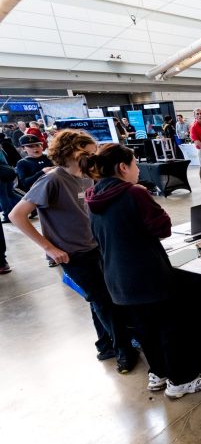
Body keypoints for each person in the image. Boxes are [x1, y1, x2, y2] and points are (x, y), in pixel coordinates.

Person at [84, 143, 201, 398]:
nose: (139, 171)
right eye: (134, 165)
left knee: (145, 329)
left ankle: (158, 372)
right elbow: (162, 228)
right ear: (122, 167)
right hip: (147, 274)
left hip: (116, 277)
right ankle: (180, 380)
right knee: (168, 327)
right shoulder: (134, 193)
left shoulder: (93, 195)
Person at [9, 129, 136, 371]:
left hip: (96, 247)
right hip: (73, 255)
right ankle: (123, 351)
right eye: (86, 152)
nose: (91, 157)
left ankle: (105, 344)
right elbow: (17, 215)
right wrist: (49, 248)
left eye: (92, 152)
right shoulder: (52, 180)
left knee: (99, 299)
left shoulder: (88, 176)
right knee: (104, 301)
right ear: (68, 152)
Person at [0, 149, 20, 223]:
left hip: (2, 173)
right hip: (7, 171)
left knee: (2, 195)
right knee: (10, 193)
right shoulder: (1, 148)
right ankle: (31, 206)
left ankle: (7, 215)